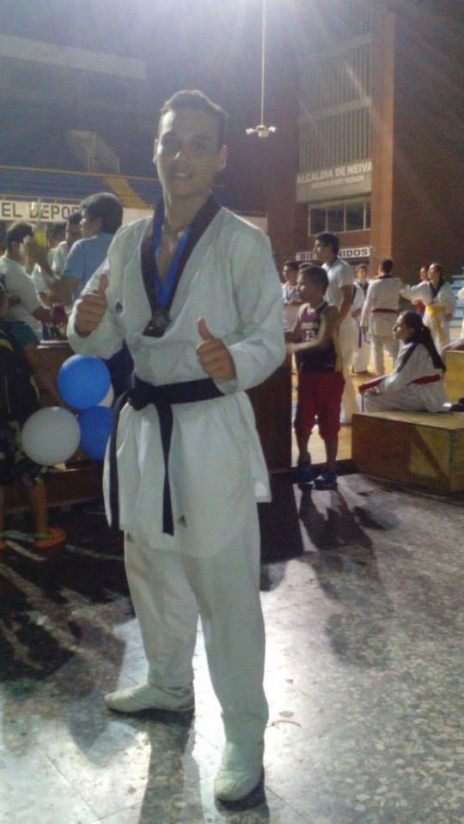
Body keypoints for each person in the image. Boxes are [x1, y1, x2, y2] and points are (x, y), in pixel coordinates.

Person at [67, 89, 285, 806]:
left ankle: (245, 734)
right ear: (155, 149)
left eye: (197, 144)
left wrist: (234, 360)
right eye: (170, 142)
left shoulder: (242, 242)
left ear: (220, 157)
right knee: (152, 569)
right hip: (145, 426)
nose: (181, 156)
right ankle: (168, 684)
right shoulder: (128, 241)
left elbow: (269, 338)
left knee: (224, 586)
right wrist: (85, 322)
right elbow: (102, 335)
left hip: (208, 423)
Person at [0, 283, 66, 551]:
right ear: (4, 303)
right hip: (22, 414)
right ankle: (42, 533)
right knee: (32, 473)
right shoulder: (19, 330)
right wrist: (59, 400)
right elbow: (39, 367)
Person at [286, 264, 344, 490]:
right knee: (302, 421)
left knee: (329, 423)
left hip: (329, 374)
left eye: (302, 284)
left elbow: (321, 341)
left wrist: (292, 348)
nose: (297, 288)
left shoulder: (330, 310)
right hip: (307, 374)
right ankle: (304, 458)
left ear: (318, 288)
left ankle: (330, 468)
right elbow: (294, 334)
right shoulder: (302, 310)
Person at [359, 310, 447, 412]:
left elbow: (397, 380)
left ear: (411, 330)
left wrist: (377, 389)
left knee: (369, 397)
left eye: (399, 326)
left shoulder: (413, 349)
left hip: (425, 398)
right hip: (430, 395)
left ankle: (377, 422)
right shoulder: (420, 345)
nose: (394, 328)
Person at [313, 232, 358, 423]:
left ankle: (351, 413)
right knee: (329, 371)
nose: (315, 249)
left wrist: (337, 322)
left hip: (342, 328)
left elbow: (347, 298)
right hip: (327, 327)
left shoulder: (343, 269)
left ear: (330, 247)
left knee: (340, 371)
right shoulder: (324, 269)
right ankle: (339, 411)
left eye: (318, 245)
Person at [0, 222, 52, 340]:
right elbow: (40, 313)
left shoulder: (3, 265)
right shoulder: (18, 275)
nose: (34, 252)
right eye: (30, 247)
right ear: (15, 246)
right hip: (28, 339)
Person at [401, 262, 456, 352]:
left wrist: (450, 312)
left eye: (432, 270)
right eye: (429, 270)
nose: (429, 272)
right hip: (429, 315)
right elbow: (412, 292)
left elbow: (452, 301)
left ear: (438, 272)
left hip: (441, 316)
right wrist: (402, 287)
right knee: (426, 337)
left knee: (444, 339)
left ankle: (443, 357)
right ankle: (427, 356)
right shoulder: (425, 285)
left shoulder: (445, 286)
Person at [360, 258, 402, 375]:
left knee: (377, 349)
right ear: (391, 269)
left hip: (377, 319)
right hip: (392, 318)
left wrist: (363, 322)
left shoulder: (374, 284)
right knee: (394, 349)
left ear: (380, 268)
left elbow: (367, 304)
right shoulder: (396, 283)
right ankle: (397, 373)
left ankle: (380, 374)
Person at [351, 263, 370, 374]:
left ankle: (362, 365)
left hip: (368, 316)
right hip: (355, 318)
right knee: (357, 342)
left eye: (365, 272)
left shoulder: (370, 286)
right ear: (357, 274)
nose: (363, 274)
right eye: (361, 271)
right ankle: (356, 365)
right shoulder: (353, 287)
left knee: (366, 343)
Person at [281, 259, 301, 330]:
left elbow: (310, 303)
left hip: (297, 325)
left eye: (289, 271)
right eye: (284, 271)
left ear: (296, 272)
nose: (286, 274)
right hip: (284, 324)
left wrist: (297, 303)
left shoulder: (302, 288)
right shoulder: (281, 288)